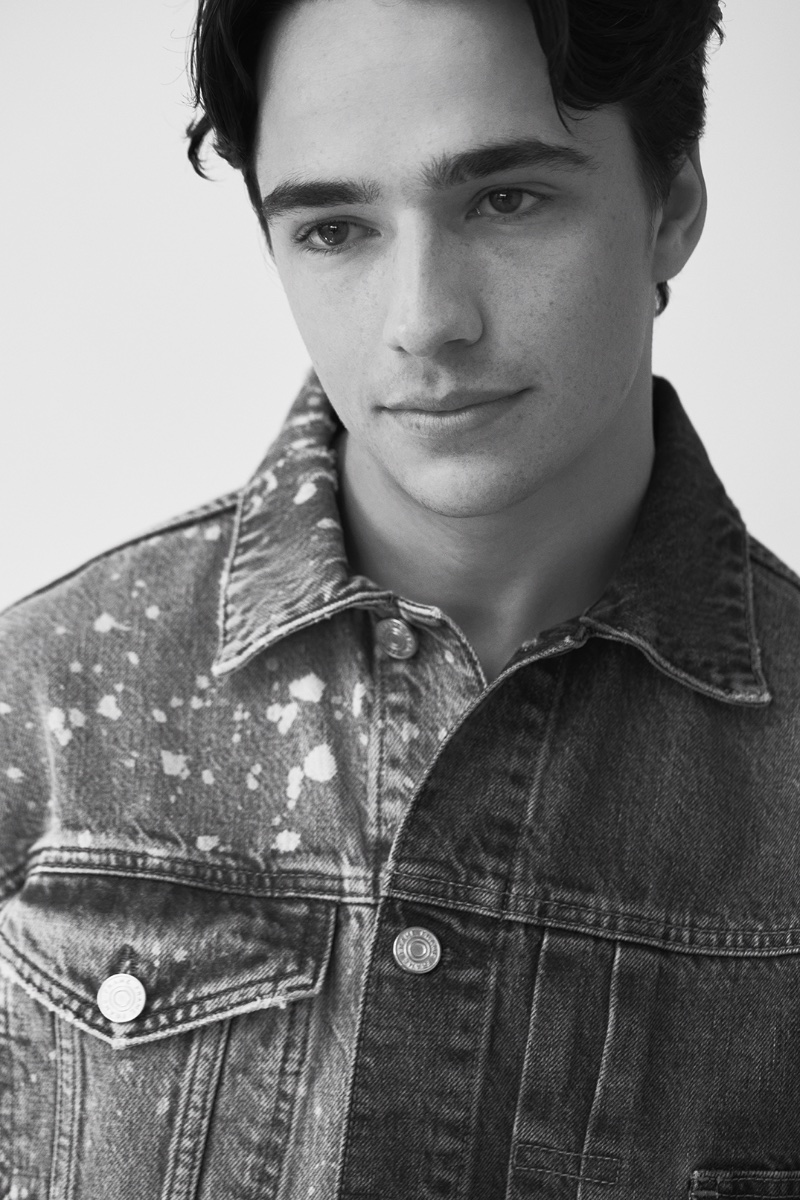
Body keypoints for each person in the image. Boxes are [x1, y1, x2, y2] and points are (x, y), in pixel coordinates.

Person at [2, 0, 799, 1194]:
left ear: (671, 205)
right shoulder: (43, 710)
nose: (424, 322)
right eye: (333, 229)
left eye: (506, 200)